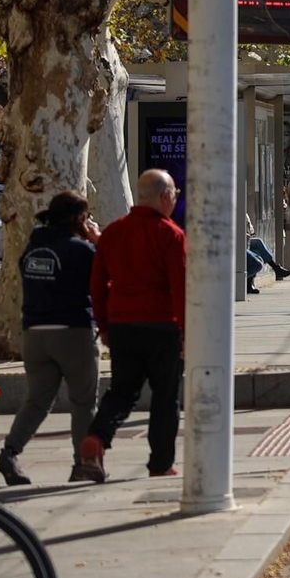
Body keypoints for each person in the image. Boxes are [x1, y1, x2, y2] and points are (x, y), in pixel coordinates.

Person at [78, 169, 186, 481]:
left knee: (122, 392)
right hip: (163, 326)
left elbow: (97, 284)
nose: (176, 199)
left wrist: (104, 326)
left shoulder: (113, 232)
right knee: (165, 397)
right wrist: (187, 333)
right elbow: (181, 289)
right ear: (164, 196)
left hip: (122, 325)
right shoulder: (171, 235)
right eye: (175, 194)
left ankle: (97, 437)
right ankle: (161, 464)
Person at [0, 191, 103, 485]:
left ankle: (10, 452)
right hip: (73, 332)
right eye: (86, 217)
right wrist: (96, 241)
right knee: (83, 401)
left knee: (37, 401)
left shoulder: (33, 247)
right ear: (78, 219)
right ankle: (83, 464)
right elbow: (106, 277)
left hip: (34, 334)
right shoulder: (80, 250)